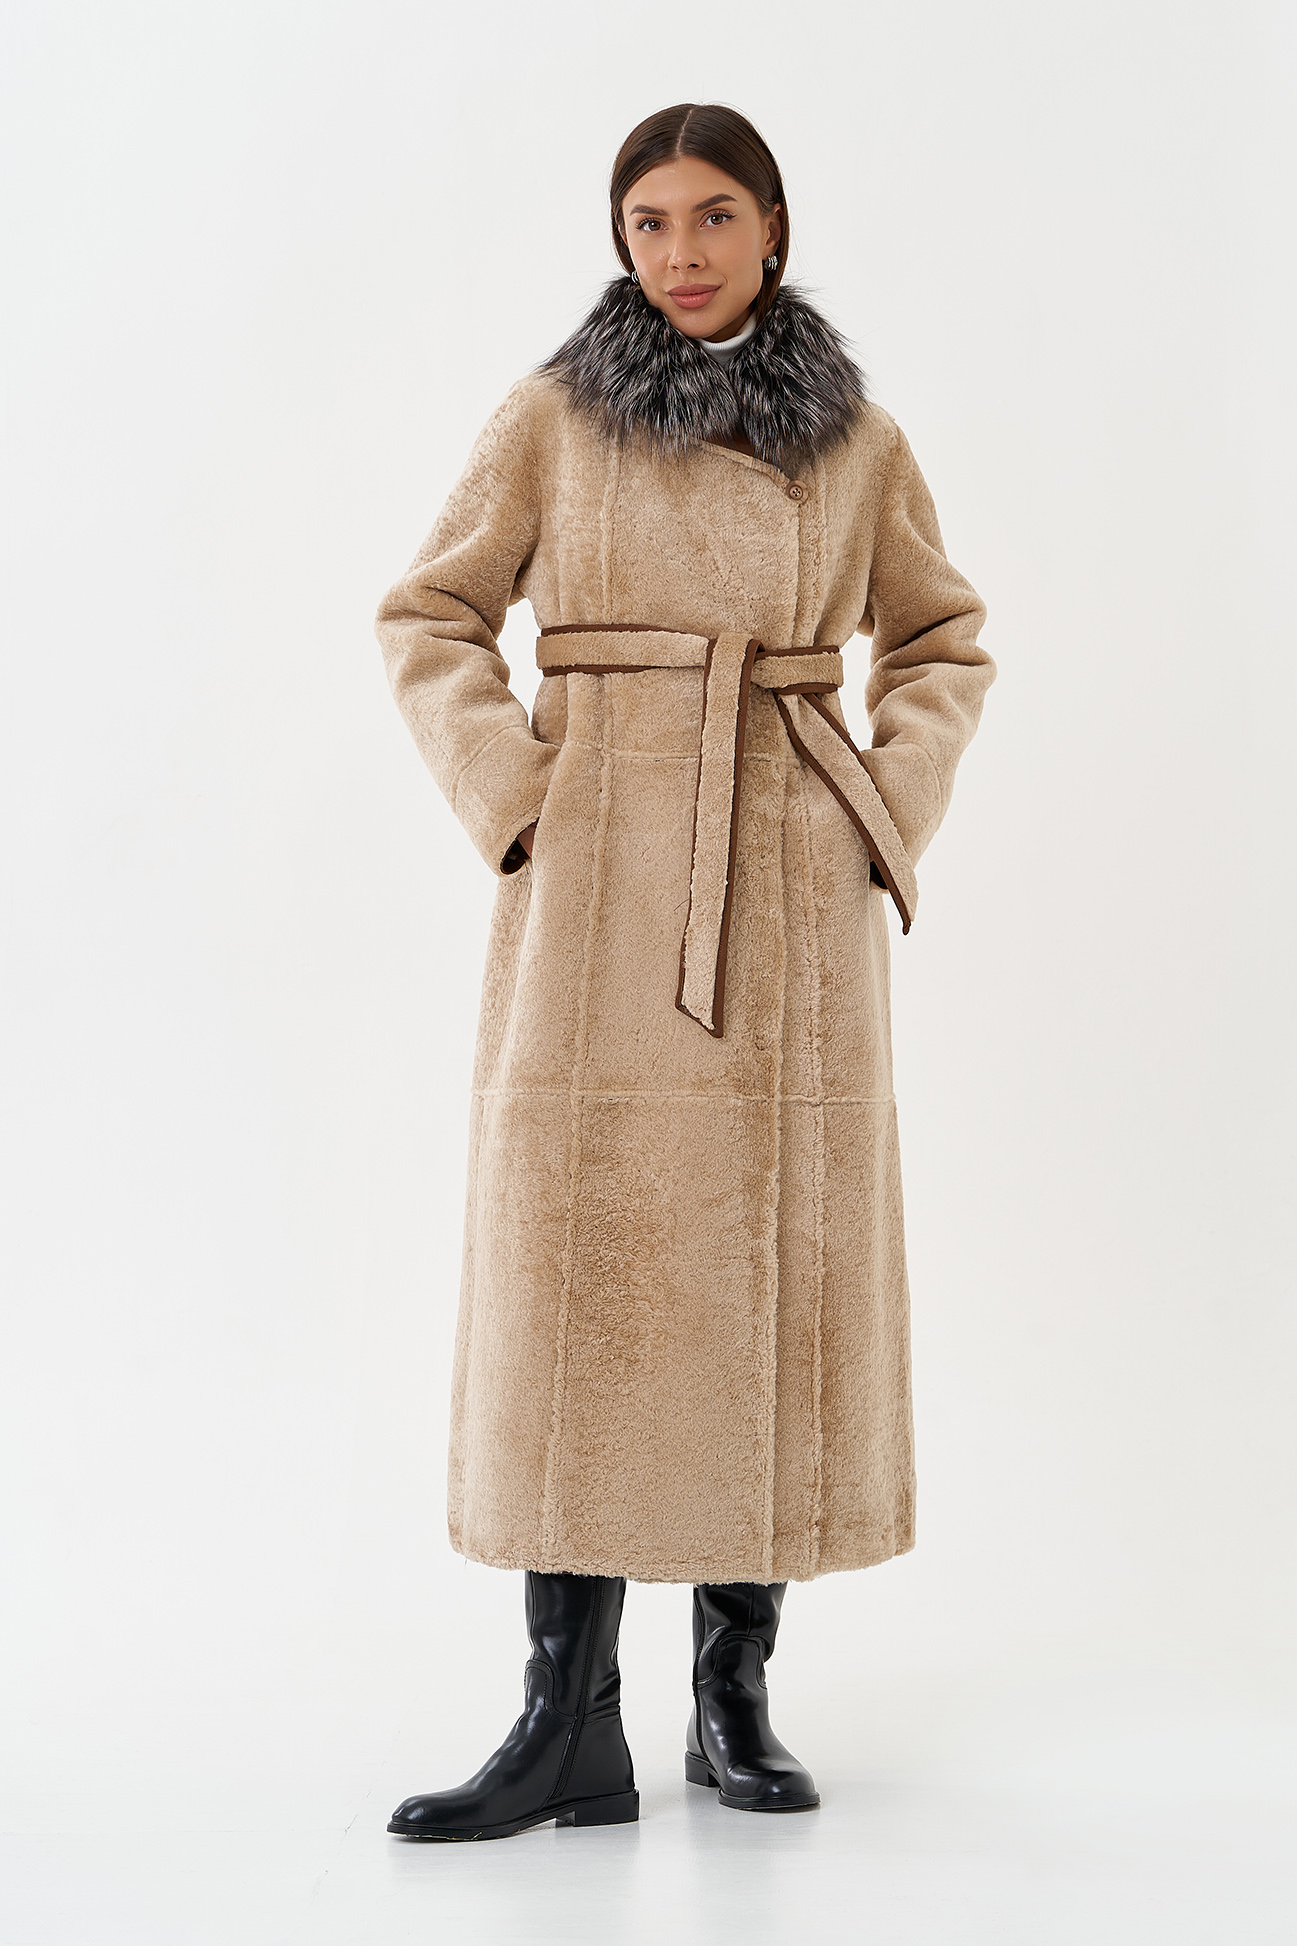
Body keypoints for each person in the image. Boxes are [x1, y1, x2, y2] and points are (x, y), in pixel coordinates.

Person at [375, 102, 994, 1842]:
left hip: (786, 891)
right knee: (578, 1272)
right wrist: (524, 802)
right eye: (647, 221)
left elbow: (940, 638)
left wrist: (878, 810)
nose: (681, 251)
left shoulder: (855, 437)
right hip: (598, 899)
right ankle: (564, 1716)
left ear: (772, 227)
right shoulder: (552, 415)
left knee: (757, 1272)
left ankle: (734, 1695)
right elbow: (428, 612)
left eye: (713, 214)